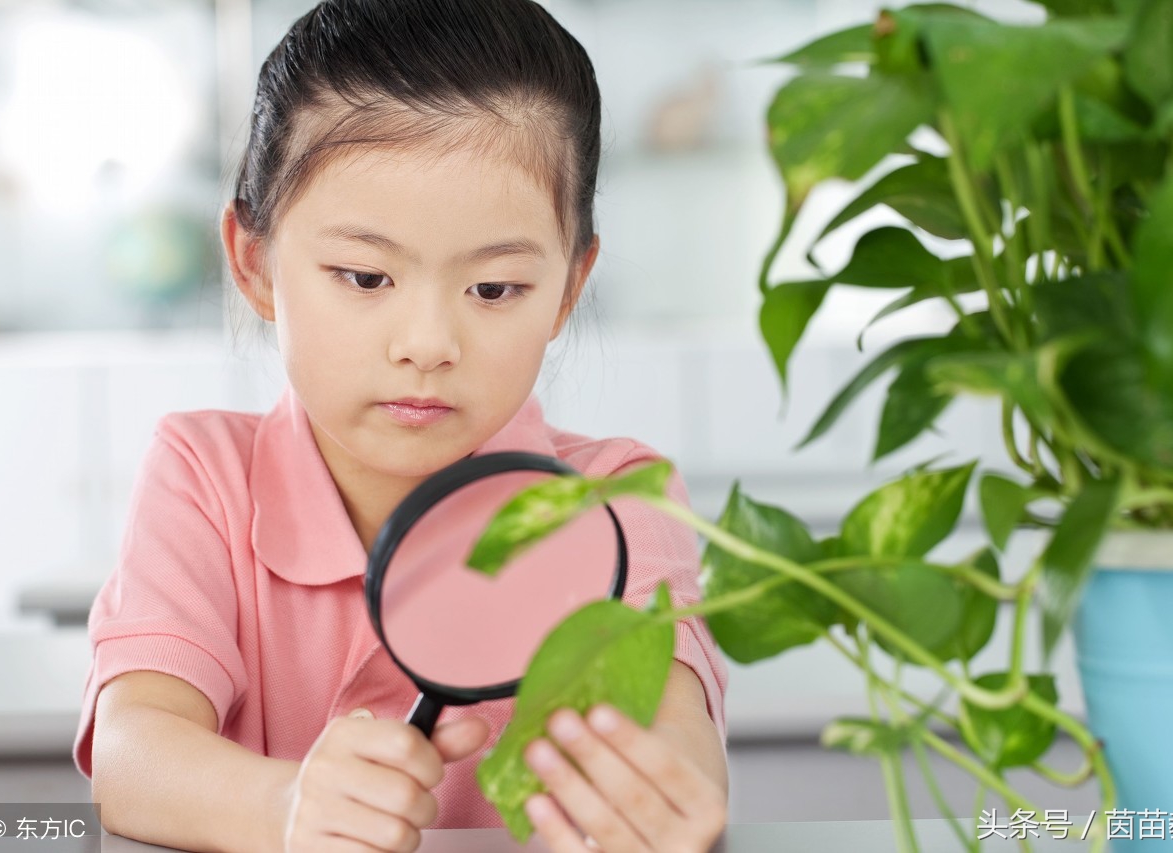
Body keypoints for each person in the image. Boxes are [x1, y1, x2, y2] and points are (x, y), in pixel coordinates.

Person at [74, 1, 730, 851]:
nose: (427, 344)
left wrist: (665, 799)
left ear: (570, 287)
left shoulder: (612, 499)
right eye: (364, 276)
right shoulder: (205, 473)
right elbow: (130, 755)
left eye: (494, 289)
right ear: (254, 263)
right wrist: (284, 807)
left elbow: (675, 738)